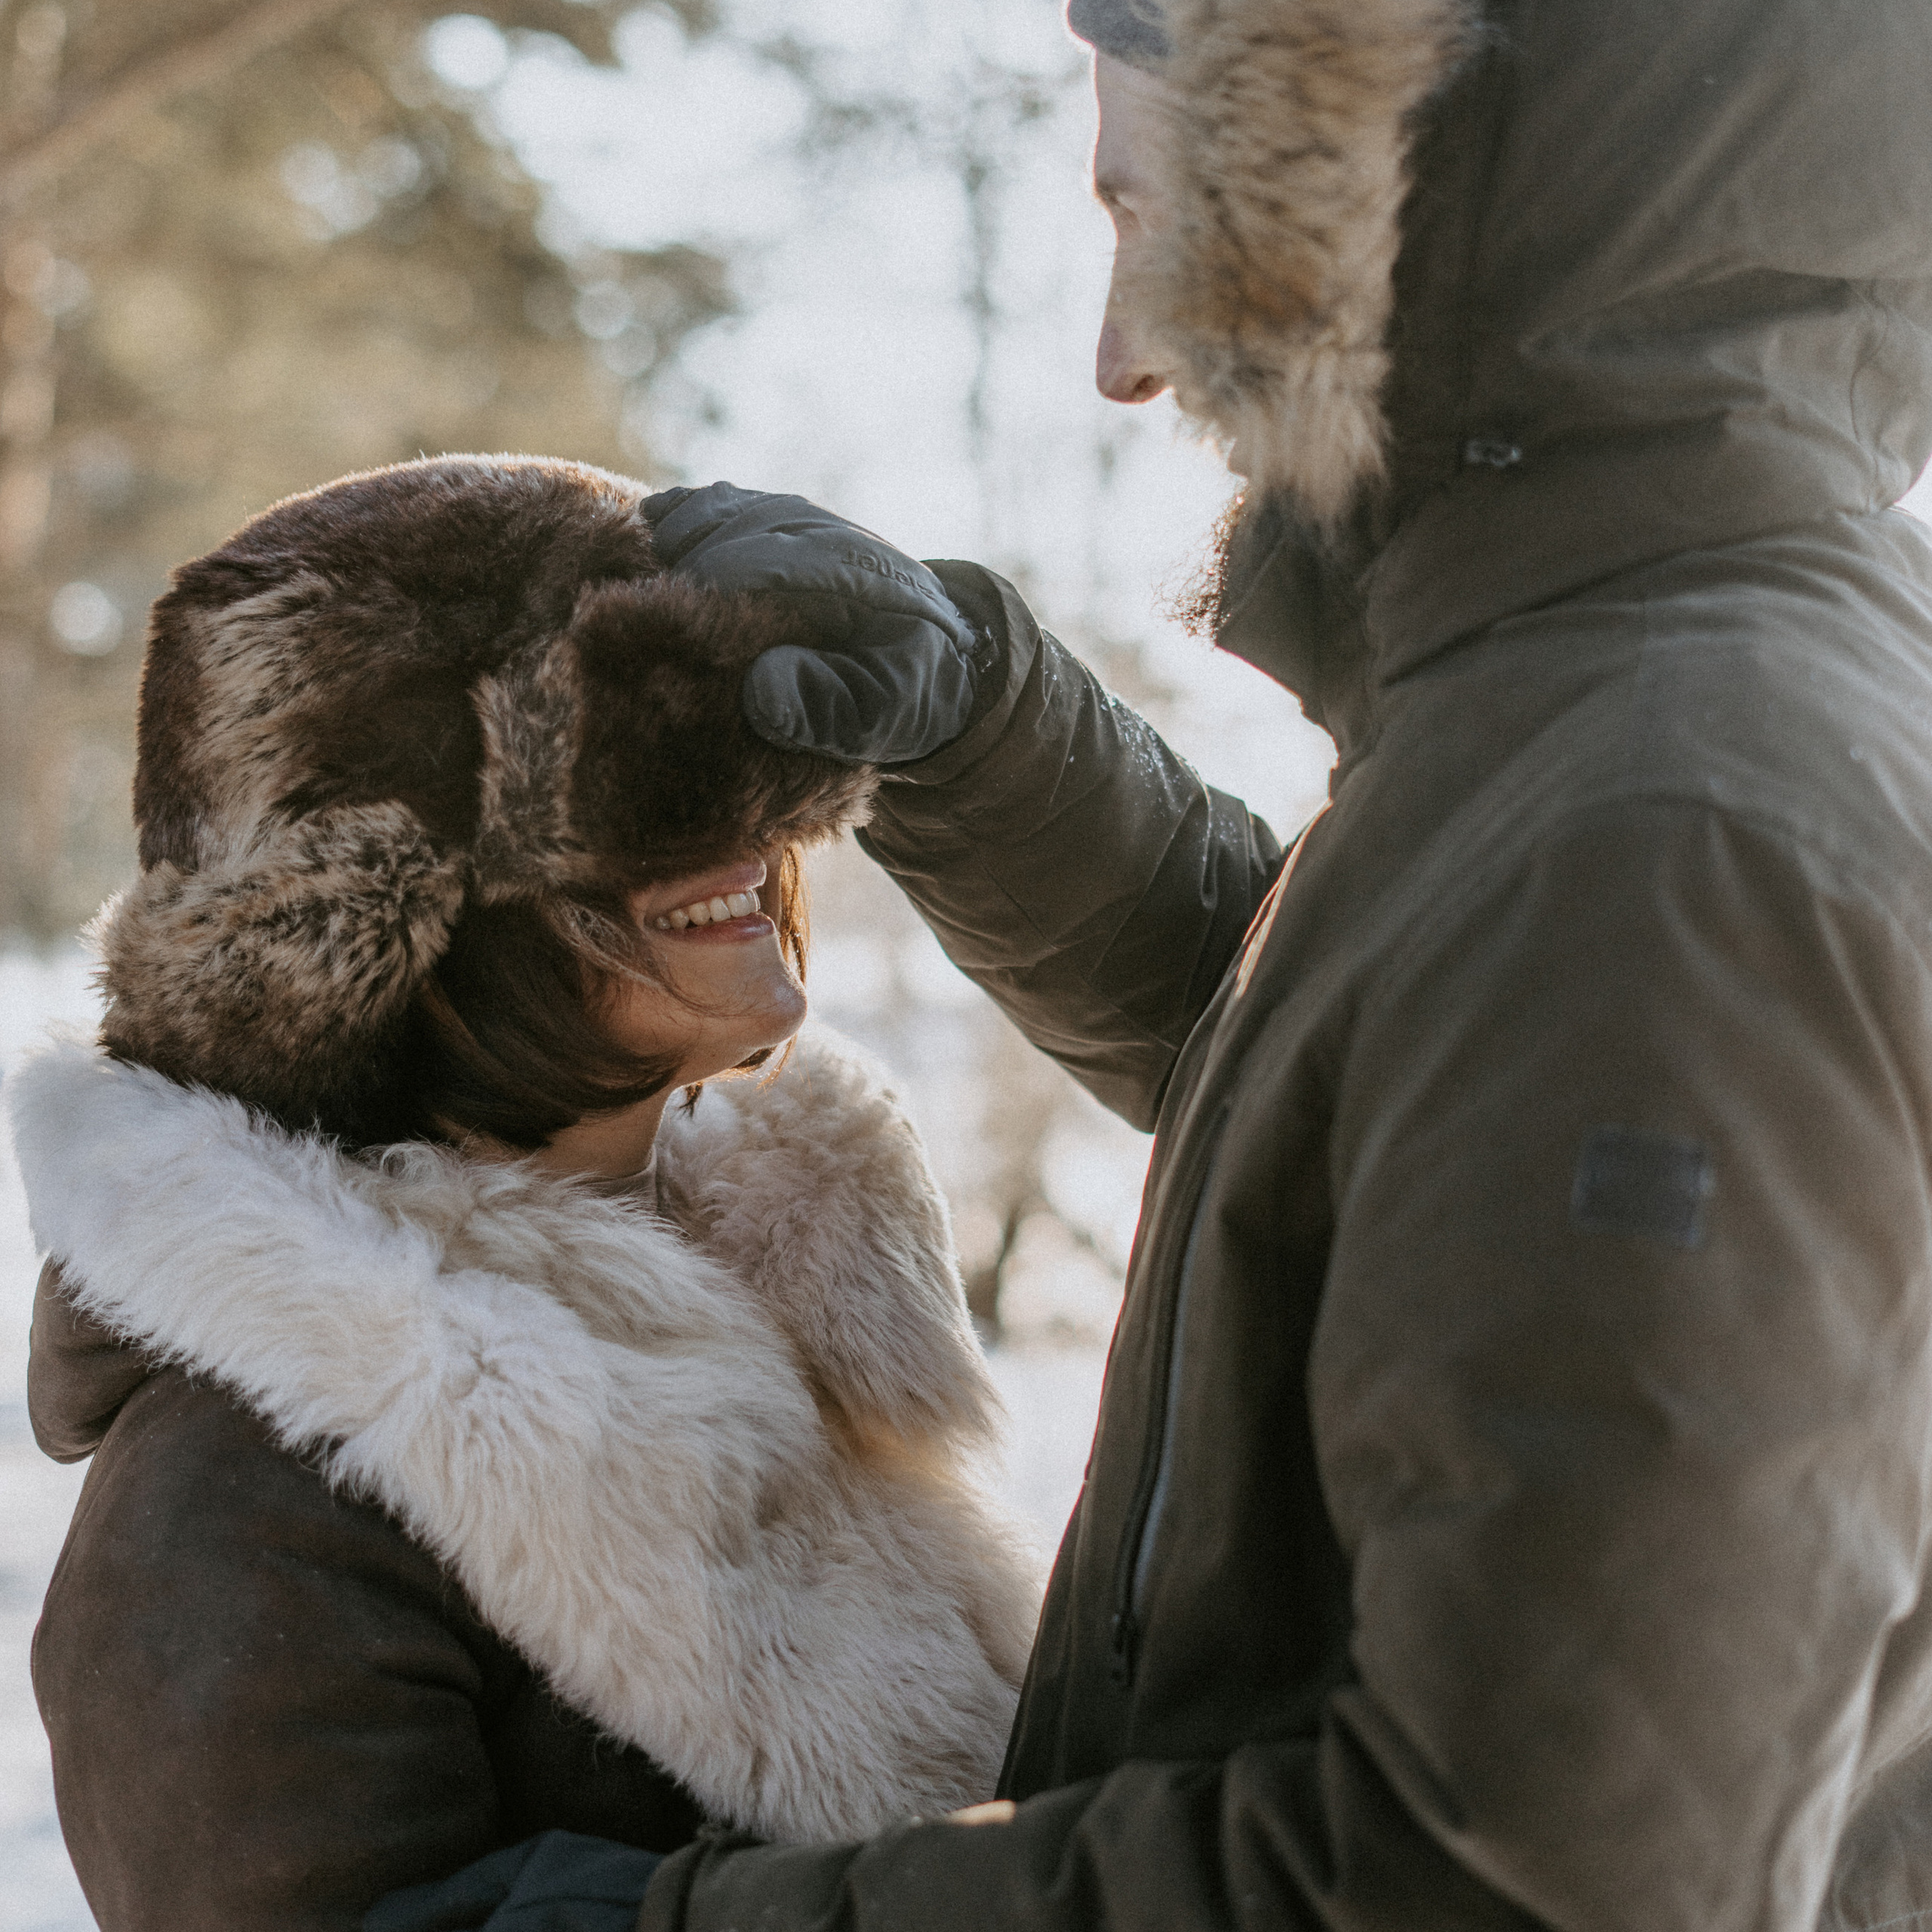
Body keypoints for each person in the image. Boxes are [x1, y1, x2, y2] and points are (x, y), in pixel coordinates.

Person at [387, 0, 1932, 1924]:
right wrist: (981, 732)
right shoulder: (1652, 702)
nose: (1122, 357)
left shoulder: (1663, 834)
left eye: (1159, 222)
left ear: (1409, 195)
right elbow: (1393, 1101)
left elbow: (1507, 1888)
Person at [8, 453, 1043, 1930]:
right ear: (397, 926)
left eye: (742, 770)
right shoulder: (239, 1489)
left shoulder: (794, 1294)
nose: (739, 839)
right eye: (636, 802)